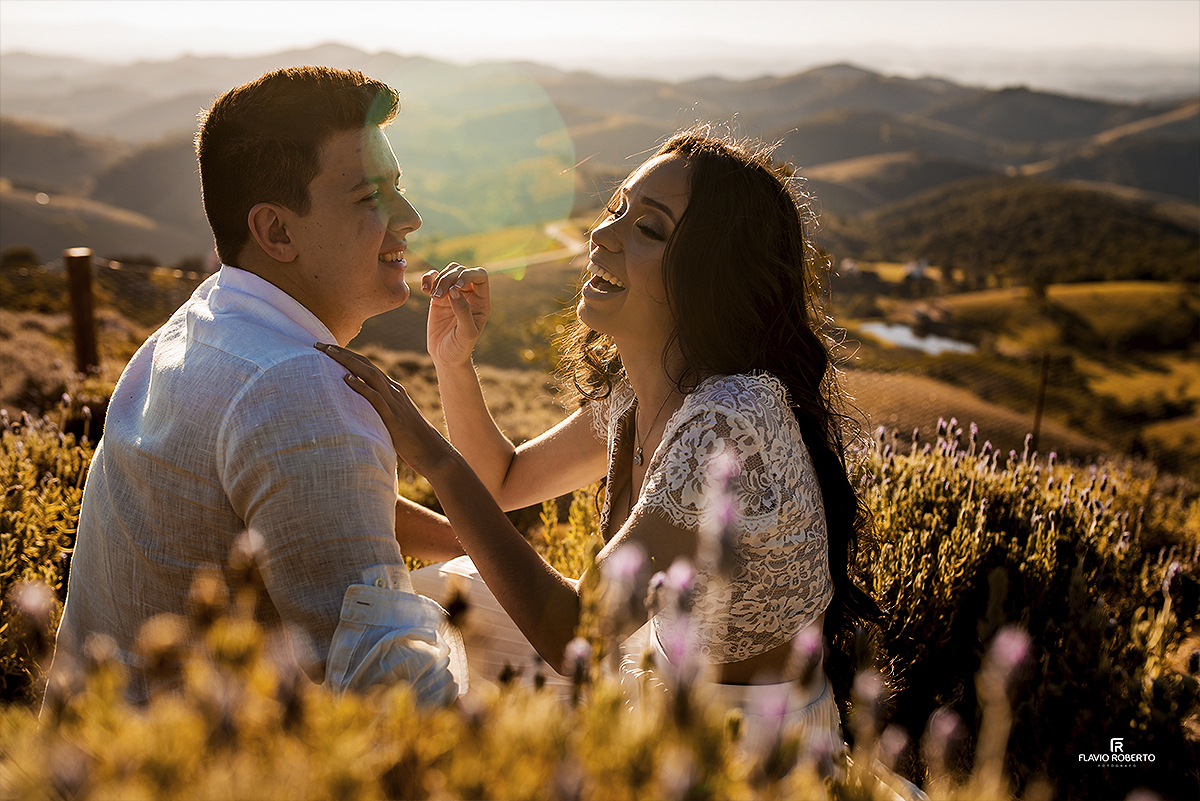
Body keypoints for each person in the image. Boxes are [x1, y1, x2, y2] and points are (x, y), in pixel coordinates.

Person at [319, 127, 879, 748]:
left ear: (711, 274)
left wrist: (432, 456)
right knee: (438, 595)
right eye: (616, 210)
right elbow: (504, 480)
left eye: (649, 228)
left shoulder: (729, 425)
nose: (601, 236)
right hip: (659, 684)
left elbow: (573, 633)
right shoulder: (640, 394)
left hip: (746, 754)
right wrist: (453, 361)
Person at [44, 66, 467, 709]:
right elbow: (387, 682)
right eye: (368, 197)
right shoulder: (295, 388)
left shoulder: (209, 320)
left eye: (397, 188)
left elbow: (306, 509)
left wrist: (473, 543)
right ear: (275, 231)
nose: (407, 218)